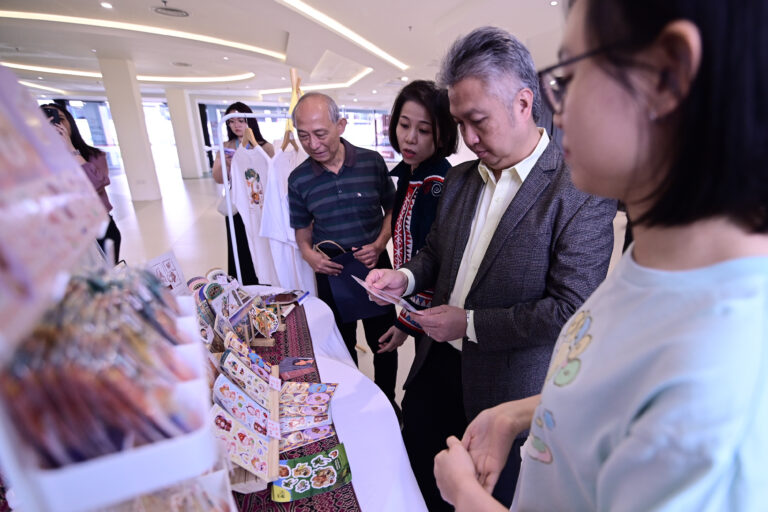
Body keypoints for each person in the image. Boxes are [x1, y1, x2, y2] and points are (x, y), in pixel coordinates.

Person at [434, 1, 768, 511]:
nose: (556, 106)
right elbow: (615, 394)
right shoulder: (656, 268)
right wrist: (517, 414)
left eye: (568, 76)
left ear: (665, 76)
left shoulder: (721, 378)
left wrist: (463, 495)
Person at [365, 27, 617, 510]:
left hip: (505, 394)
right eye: (460, 123)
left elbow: (569, 309)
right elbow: (436, 252)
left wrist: (470, 324)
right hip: (434, 368)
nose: (468, 138)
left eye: (478, 121)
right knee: (418, 482)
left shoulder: (579, 190)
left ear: (524, 103)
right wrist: (406, 276)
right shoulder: (461, 178)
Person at [287, 92, 399, 404]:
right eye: (303, 136)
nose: (312, 144)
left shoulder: (371, 163)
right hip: (331, 271)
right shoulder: (298, 179)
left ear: (341, 125)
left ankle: (387, 402)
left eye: (320, 133)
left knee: (384, 341)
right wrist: (309, 255)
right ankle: (351, 403)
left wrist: (379, 244)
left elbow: (392, 209)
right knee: (340, 346)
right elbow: (302, 229)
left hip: (374, 266)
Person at [376, 80, 458, 356]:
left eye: (423, 130)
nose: (410, 138)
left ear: (442, 135)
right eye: (404, 125)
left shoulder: (437, 183)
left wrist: (407, 321)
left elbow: (433, 259)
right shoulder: (410, 172)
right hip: (415, 305)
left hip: (436, 314)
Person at [42, 103, 121, 264]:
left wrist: (71, 149)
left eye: (60, 119)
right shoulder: (38, 161)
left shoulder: (93, 155)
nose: (56, 125)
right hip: (65, 234)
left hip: (100, 227)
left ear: (70, 122)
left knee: (109, 276)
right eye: (46, 121)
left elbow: (96, 184)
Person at [212, 102, 274, 285]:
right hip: (236, 203)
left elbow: (272, 178)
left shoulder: (264, 147)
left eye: (241, 120)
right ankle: (242, 283)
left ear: (250, 121)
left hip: (259, 203)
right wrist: (227, 163)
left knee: (261, 243)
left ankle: (264, 280)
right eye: (232, 122)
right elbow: (218, 178)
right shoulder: (226, 146)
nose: (236, 125)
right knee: (239, 244)